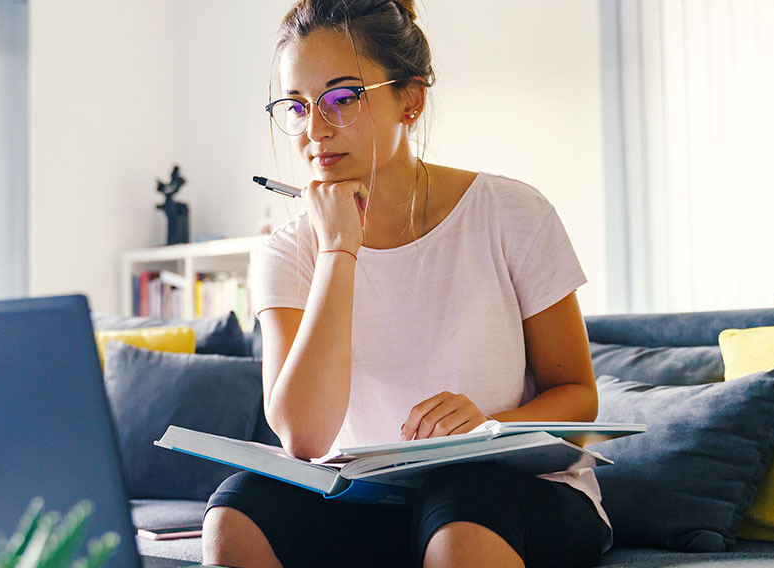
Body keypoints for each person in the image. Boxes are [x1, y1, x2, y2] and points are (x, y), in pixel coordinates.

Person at [203, 1, 611, 566]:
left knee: (463, 503)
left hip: (508, 496)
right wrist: (337, 249)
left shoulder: (513, 213)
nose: (315, 131)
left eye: (342, 99)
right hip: (372, 501)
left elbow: (579, 399)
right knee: (236, 509)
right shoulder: (286, 252)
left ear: (410, 100)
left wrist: (491, 426)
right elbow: (304, 438)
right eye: (296, 107)